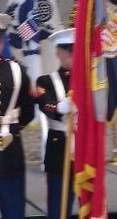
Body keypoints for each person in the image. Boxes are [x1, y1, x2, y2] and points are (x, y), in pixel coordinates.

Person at [0, 13, 35, 219]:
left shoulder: (18, 70)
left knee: (12, 201)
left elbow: (28, 110)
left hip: (10, 147)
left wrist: (12, 128)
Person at [35, 28, 76, 219]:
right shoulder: (46, 80)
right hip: (60, 146)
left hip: (84, 146)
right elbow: (44, 104)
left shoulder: (90, 80)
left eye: (76, 49)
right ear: (58, 52)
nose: (73, 54)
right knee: (59, 204)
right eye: (69, 49)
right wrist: (59, 107)